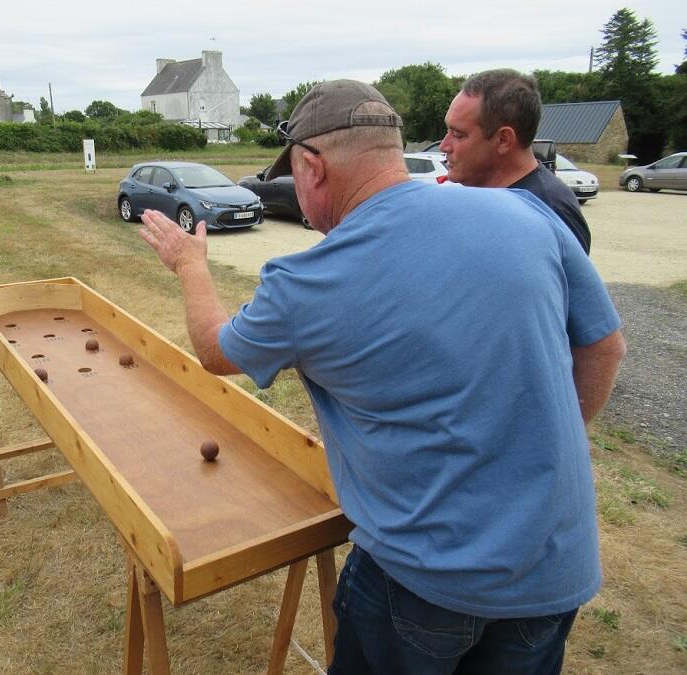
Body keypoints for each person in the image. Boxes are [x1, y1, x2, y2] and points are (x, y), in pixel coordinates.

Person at [138, 79, 625, 674]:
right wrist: (542, 445)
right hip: (555, 567)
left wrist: (189, 264)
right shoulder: (526, 212)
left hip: (420, 583)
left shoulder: (307, 282)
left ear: (313, 168)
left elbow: (217, 350)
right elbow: (604, 347)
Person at [440, 69, 592, 254]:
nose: (444, 146)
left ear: (504, 140)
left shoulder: (547, 210)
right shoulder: (489, 196)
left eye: (458, 134)